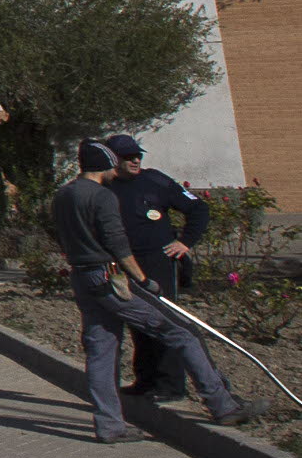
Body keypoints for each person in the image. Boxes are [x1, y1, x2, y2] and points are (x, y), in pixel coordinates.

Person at [50, 140, 244, 441]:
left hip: (82, 277)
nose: (123, 165)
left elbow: (61, 236)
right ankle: (223, 405)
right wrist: (142, 280)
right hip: (108, 277)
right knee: (182, 332)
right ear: (106, 165)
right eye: (117, 161)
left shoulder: (64, 194)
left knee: (101, 351)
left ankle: (110, 426)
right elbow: (118, 244)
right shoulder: (101, 196)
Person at [103, 134, 213, 399]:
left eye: (137, 155)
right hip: (124, 263)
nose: (135, 160)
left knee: (166, 323)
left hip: (158, 262)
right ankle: (146, 379)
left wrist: (185, 243)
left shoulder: (155, 181)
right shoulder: (105, 187)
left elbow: (198, 209)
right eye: (128, 157)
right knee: (139, 324)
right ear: (113, 159)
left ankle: (170, 386)